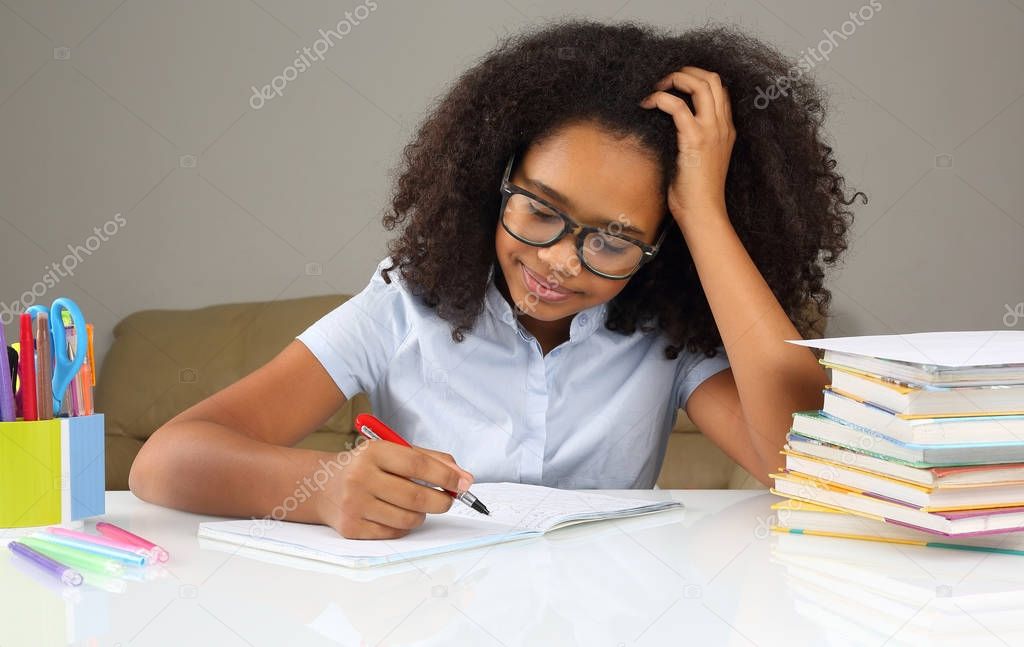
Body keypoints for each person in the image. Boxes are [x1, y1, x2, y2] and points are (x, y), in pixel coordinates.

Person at [130, 20, 864, 539]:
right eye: (541, 210)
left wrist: (704, 215)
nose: (558, 261)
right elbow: (166, 461)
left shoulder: (665, 331)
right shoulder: (405, 302)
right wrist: (322, 488)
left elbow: (808, 463)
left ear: (660, 246)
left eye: (612, 239)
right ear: (494, 181)